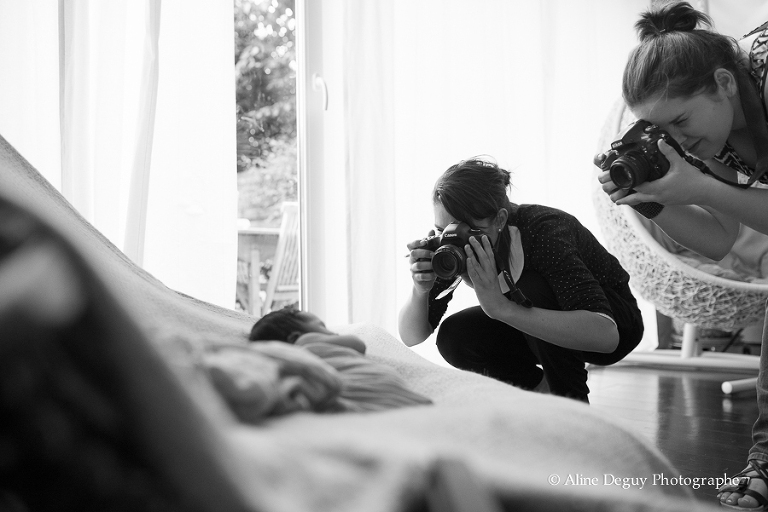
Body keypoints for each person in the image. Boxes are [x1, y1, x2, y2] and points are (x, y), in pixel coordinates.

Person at [594, 2, 768, 509]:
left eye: (681, 119)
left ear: (725, 82)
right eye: (662, 128)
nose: (676, 137)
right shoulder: (705, 135)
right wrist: (654, 202)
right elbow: (719, 239)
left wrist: (702, 188)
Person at [398, 157, 644, 403]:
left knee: (530, 288)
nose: (456, 241)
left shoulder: (544, 231)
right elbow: (412, 336)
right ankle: (538, 393)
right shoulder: (450, 246)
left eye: (468, 231)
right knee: (456, 335)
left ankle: (570, 405)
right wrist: (420, 289)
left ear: (501, 219)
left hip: (613, 323)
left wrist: (502, 309)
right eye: (443, 230)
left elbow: (607, 337)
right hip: (539, 329)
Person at [249, 307, 433, 412]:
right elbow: (357, 344)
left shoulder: (298, 357)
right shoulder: (305, 343)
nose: (333, 333)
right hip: (362, 386)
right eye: (321, 326)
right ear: (294, 337)